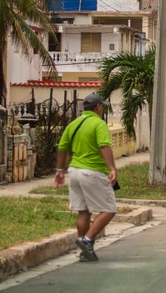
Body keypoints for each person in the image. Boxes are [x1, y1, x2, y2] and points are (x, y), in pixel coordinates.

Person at [55, 94, 118, 263]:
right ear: (97, 107)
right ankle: (87, 240)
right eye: (102, 106)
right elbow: (104, 146)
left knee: (83, 212)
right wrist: (112, 168)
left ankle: (85, 252)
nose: (102, 109)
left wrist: (60, 170)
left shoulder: (74, 124)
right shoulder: (99, 123)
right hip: (93, 172)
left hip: (74, 171)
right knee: (109, 209)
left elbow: (62, 147)